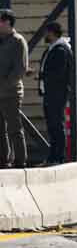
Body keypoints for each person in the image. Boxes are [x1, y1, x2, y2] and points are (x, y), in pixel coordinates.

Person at [39, 22, 72, 164]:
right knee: (52, 126)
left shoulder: (61, 50)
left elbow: (58, 73)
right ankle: (52, 157)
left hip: (57, 94)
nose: (45, 35)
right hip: (49, 93)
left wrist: (42, 76)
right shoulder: (51, 49)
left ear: (52, 33)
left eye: (46, 32)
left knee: (57, 125)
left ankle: (59, 157)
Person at [0, 9, 29, 168]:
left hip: (11, 93)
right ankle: (4, 160)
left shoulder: (18, 41)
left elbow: (20, 69)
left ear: (7, 22)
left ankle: (20, 161)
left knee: (14, 129)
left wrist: (4, 85)